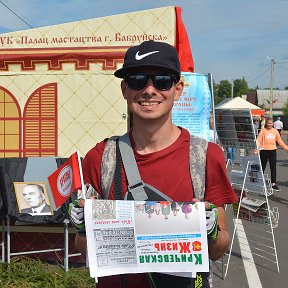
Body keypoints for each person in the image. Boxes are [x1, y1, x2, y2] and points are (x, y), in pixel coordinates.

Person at [70, 40, 238, 288]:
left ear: (178, 89)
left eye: (162, 81)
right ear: (125, 88)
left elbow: (217, 249)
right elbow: (84, 250)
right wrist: (85, 229)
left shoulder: (205, 156)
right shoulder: (101, 156)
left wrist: (211, 229)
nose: (149, 90)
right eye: (138, 80)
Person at [255, 117, 288, 191]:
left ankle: (273, 184)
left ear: (273, 124)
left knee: (273, 167)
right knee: (262, 167)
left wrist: (286, 147)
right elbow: (258, 140)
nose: (269, 124)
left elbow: (279, 141)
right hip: (264, 151)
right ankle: (259, 182)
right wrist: (256, 150)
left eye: (270, 123)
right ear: (266, 123)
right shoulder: (263, 130)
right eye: (268, 123)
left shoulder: (275, 131)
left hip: (272, 151)